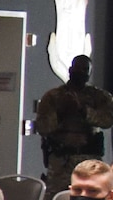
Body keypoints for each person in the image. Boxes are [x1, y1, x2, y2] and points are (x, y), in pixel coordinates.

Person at [34, 55, 113, 188]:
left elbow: (107, 121)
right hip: (61, 159)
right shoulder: (53, 96)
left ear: (89, 73)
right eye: (77, 68)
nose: (80, 72)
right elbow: (43, 127)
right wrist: (61, 112)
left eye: (85, 69)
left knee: (88, 198)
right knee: (56, 199)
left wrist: (84, 111)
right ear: (70, 69)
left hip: (88, 158)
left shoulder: (99, 97)